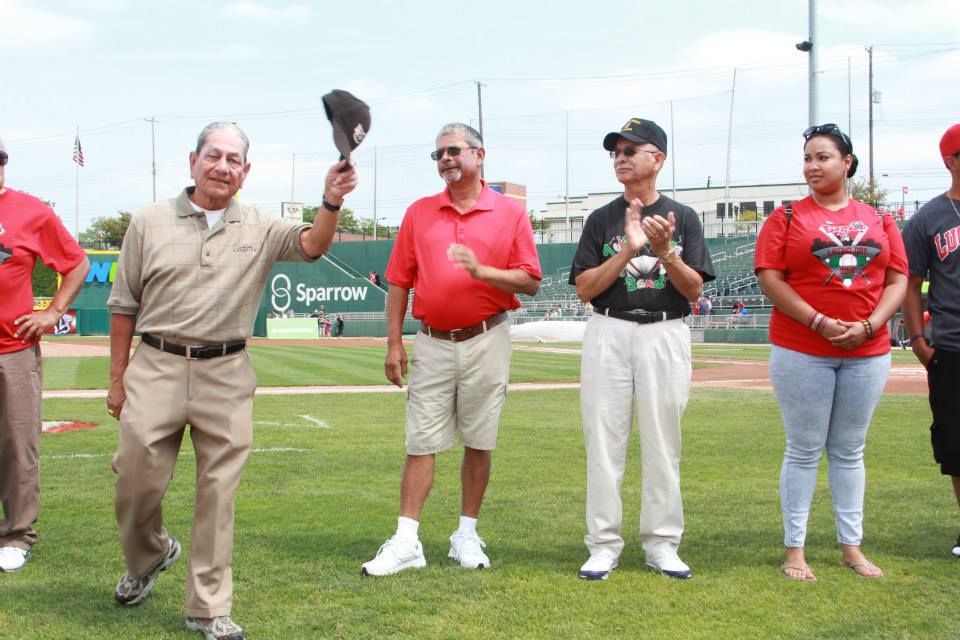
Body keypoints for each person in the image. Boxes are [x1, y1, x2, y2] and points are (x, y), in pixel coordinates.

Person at [107, 122, 357, 639]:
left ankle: (208, 607)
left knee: (218, 494)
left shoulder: (262, 227)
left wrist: (330, 202)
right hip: (156, 364)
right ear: (192, 160)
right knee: (135, 483)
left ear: (246, 171)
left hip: (227, 370)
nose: (222, 166)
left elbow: (313, 244)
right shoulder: (148, 221)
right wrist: (117, 379)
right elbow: (123, 305)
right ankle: (150, 555)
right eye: (213, 155)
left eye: (234, 159)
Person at [361, 122, 541, 576]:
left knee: (480, 440)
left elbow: (531, 280)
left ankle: (466, 533)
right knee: (420, 440)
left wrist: (483, 272)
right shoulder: (420, 213)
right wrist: (394, 343)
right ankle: (406, 541)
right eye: (439, 154)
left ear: (480, 155)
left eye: (454, 151)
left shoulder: (510, 213)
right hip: (433, 341)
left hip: (487, 337)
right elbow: (399, 281)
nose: (445, 159)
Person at [754, 123, 907, 581]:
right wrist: (818, 321)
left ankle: (851, 548)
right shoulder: (784, 217)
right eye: (807, 158)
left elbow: (898, 278)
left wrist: (871, 325)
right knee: (803, 450)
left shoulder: (880, 219)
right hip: (802, 347)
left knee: (849, 450)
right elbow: (770, 277)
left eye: (823, 157)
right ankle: (795, 550)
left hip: (869, 350)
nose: (812, 166)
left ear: (847, 163)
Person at [570, 118, 714, 581]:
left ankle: (662, 543)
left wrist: (665, 248)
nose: (622, 157)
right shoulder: (601, 219)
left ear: (659, 158)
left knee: (662, 441)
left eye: (633, 149)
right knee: (603, 441)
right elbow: (585, 290)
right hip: (608, 328)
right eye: (616, 150)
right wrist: (627, 250)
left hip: (665, 331)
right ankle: (603, 544)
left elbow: (693, 290)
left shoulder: (683, 217)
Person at [0, 137, 90, 573]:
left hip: (12, 349)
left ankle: (17, 534)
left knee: (19, 445)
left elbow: (76, 263)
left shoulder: (30, 210)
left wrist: (53, 312)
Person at [901, 123, 960, 558]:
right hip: (952, 346)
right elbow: (909, 283)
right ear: (951, 161)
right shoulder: (929, 219)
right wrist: (918, 339)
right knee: (956, 442)